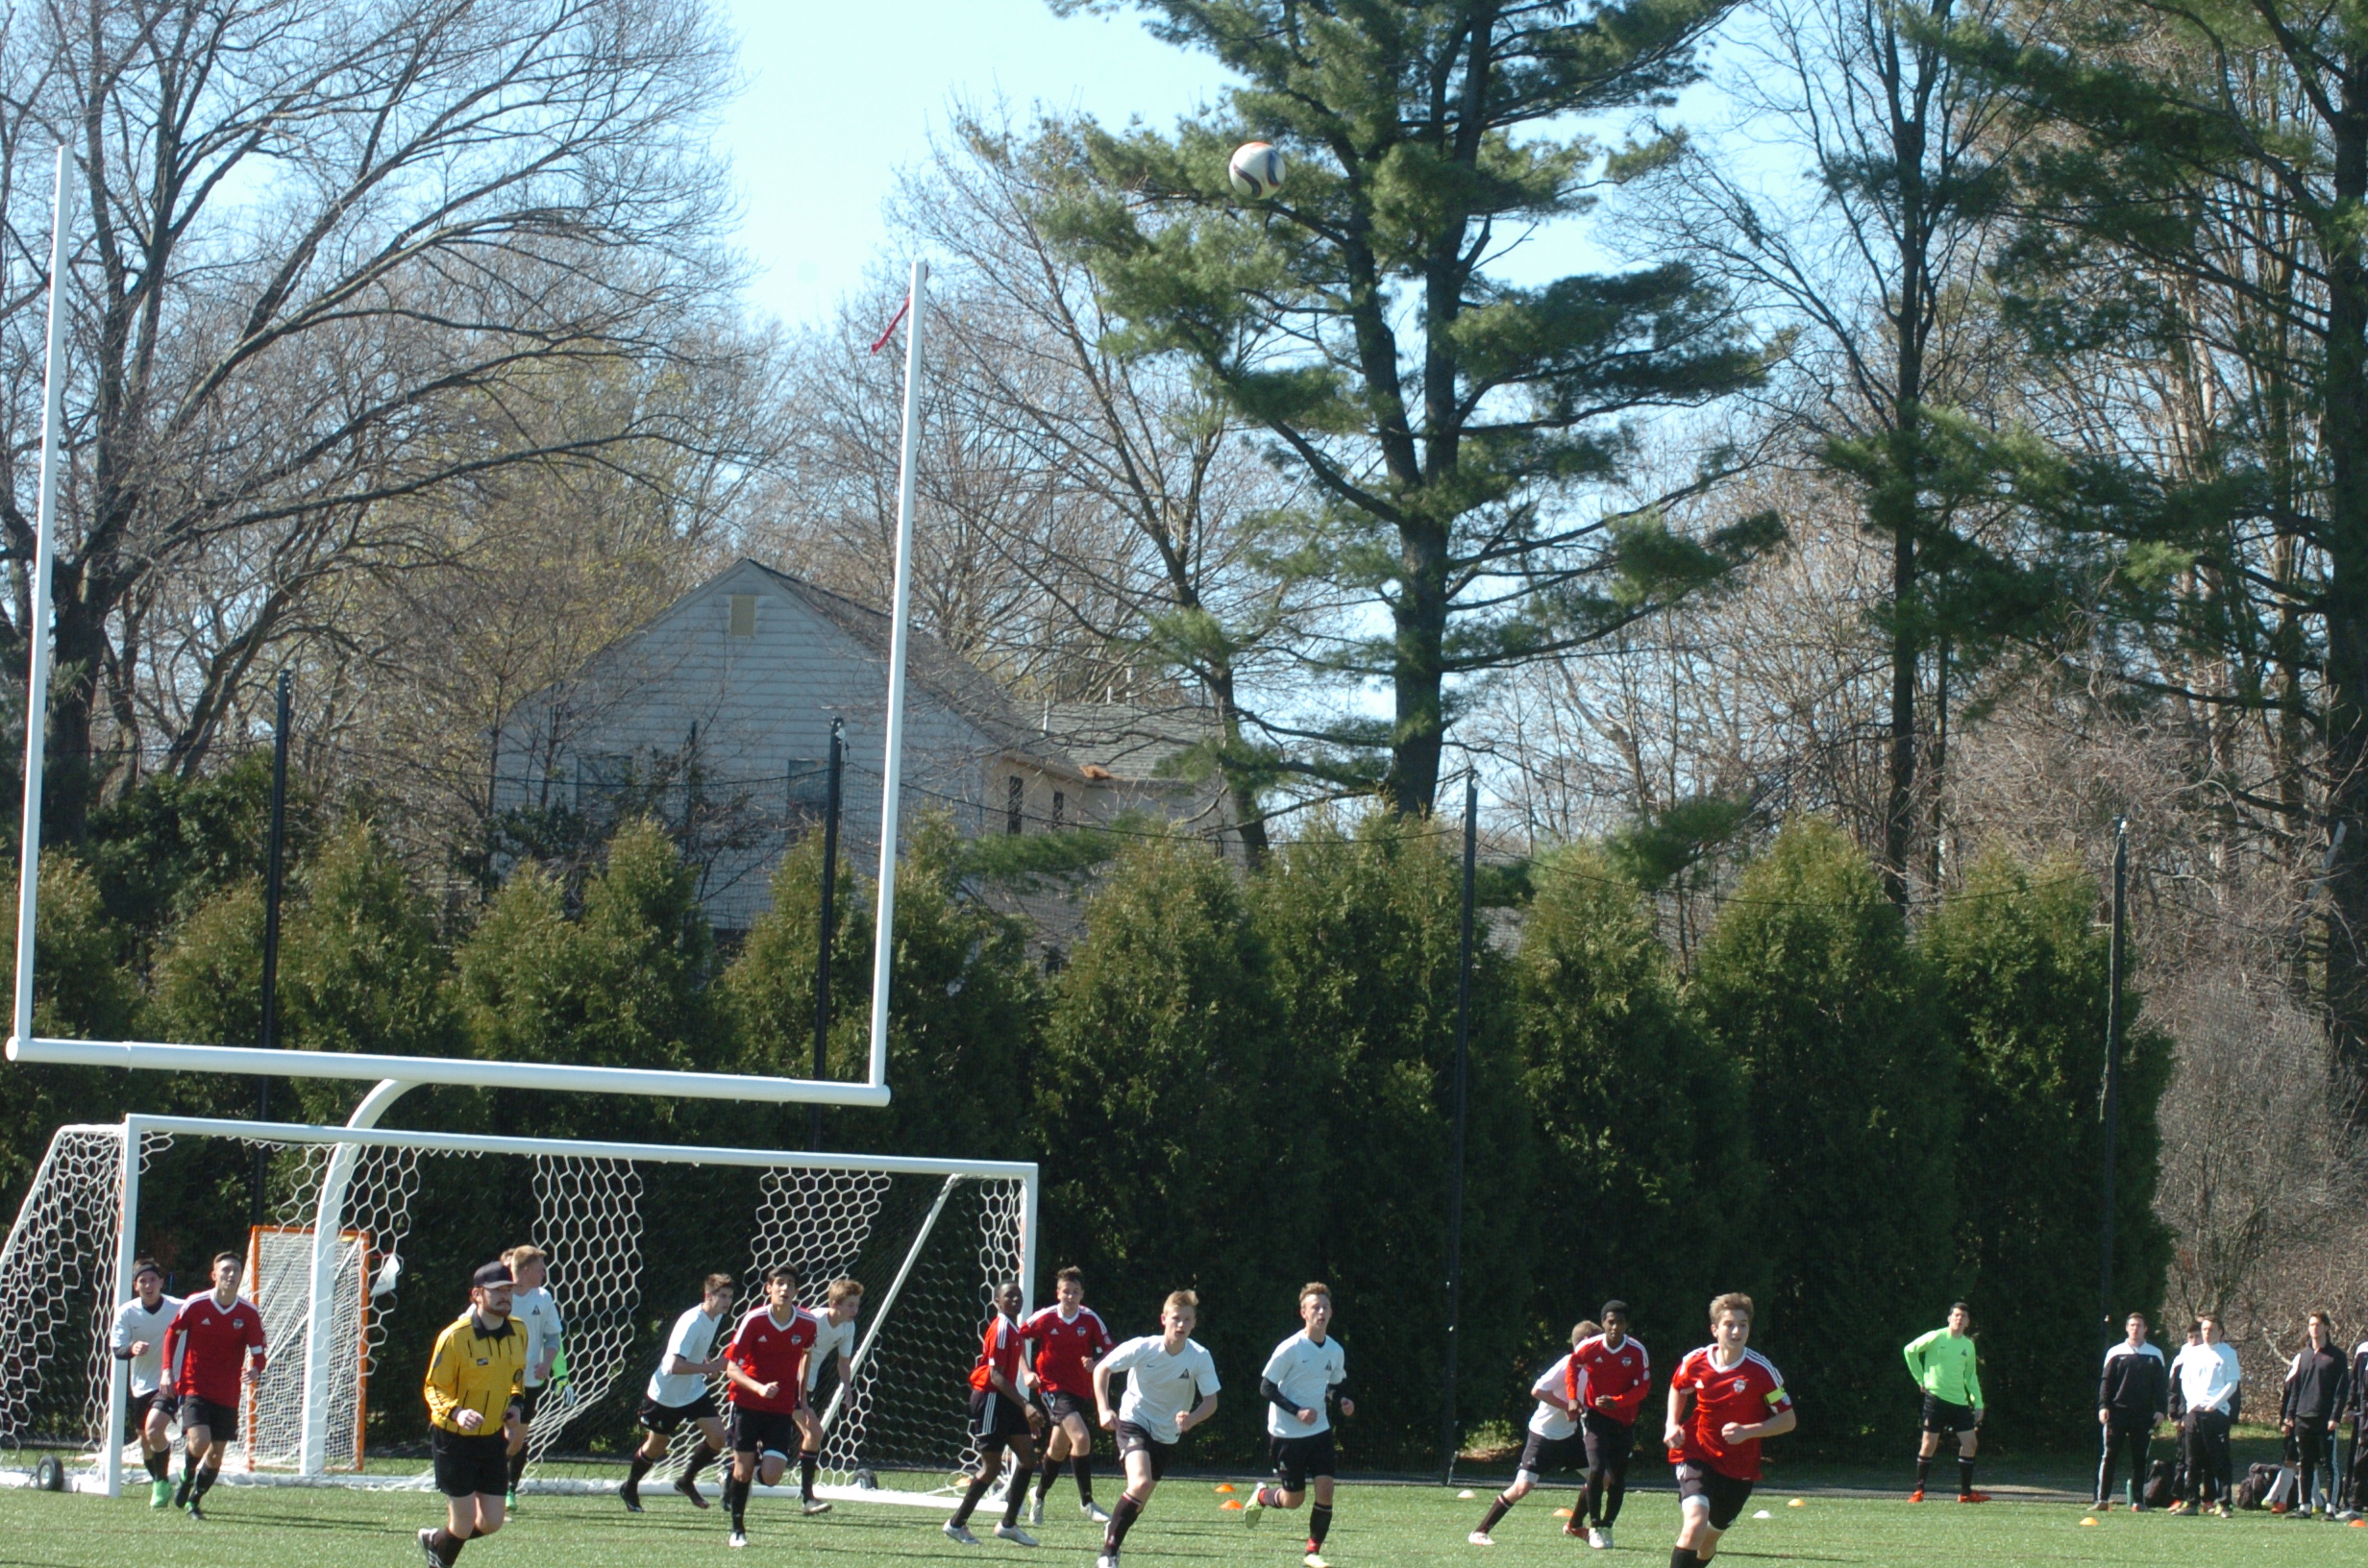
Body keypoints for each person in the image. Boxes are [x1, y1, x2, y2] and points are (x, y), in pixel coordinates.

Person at [1663, 1292, 1795, 1568]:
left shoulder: (1761, 1371)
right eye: (1729, 1324)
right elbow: (1678, 1387)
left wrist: (1747, 1431)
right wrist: (1672, 1423)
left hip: (1739, 1467)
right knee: (1695, 1523)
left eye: (1742, 1325)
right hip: (1696, 1453)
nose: (1736, 1331)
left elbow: (1788, 1420)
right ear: (1715, 1329)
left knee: (1707, 1542)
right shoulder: (1695, 1361)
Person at [1093, 1290, 1221, 1568]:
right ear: (1164, 1319)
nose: (1181, 1324)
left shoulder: (1199, 1356)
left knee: (1140, 1499)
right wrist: (1103, 1409)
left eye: (1187, 1319)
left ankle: (1114, 1528)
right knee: (1139, 1483)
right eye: (1176, 1318)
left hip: (1167, 1433)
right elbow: (1102, 1369)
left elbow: (1211, 1401)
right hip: (1134, 1420)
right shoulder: (1144, 1347)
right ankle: (1108, 1553)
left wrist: (1192, 1419)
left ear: (1194, 1323)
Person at [417, 1261, 528, 1568]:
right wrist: (457, 1412)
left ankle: (434, 1540)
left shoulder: (519, 1331)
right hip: (454, 1439)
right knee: (463, 1524)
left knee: (492, 1522)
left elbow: (517, 1378)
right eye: (497, 1291)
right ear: (476, 1295)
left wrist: (515, 1405)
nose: (505, 1296)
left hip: (491, 1437)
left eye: (509, 1290)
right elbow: (433, 1388)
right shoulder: (455, 1336)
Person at [1241, 1283, 1355, 1568]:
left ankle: (1312, 1552)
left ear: (1331, 1312)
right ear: (1303, 1313)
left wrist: (1342, 1400)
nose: (1321, 1312)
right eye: (1315, 1307)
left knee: (1326, 1489)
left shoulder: (1335, 1350)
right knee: (1294, 1500)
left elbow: (1333, 1386)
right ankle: (1263, 1496)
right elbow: (1266, 1387)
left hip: (1319, 1431)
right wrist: (1297, 1411)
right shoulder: (1290, 1348)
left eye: (1325, 1307)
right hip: (1286, 1433)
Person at [160, 1251, 266, 1519]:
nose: (231, 1274)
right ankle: (187, 1475)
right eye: (225, 1269)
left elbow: (259, 1352)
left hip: (227, 1393)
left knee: (217, 1454)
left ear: (241, 1276)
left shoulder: (248, 1313)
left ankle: (194, 1500)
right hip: (195, 1385)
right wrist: (166, 1371)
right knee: (200, 1440)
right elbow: (172, 1332)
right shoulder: (196, 1304)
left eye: (236, 1270)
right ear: (214, 1275)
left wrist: (255, 1369)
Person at [1468, 1320, 1595, 1547]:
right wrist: (1568, 1407)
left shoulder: (1595, 1369)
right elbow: (1538, 1390)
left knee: (1601, 1479)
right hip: (1544, 1436)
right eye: (1598, 1343)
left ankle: (1574, 1526)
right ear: (1586, 1343)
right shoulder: (1568, 1363)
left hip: (1570, 1437)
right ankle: (1479, 1532)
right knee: (1522, 1487)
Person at [720, 1264, 821, 1548]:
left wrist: (802, 1400)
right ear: (769, 1288)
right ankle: (737, 1530)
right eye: (779, 1283)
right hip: (747, 1403)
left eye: (790, 1284)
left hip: (781, 1407)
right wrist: (759, 1388)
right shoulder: (754, 1320)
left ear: (797, 1291)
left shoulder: (807, 1323)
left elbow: (806, 1356)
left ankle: (734, 1473)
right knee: (743, 1471)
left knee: (773, 1476)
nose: (785, 1288)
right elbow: (731, 1368)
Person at [623, 1273, 735, 1513]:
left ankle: (686, 1480)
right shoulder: (691, 1322)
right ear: (708, 1295)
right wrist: (709, 1368)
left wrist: (706, 1363)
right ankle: (630, 1486)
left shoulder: (715, 1316)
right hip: (666, 1395)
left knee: (718, 1437)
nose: (727, 1302)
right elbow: (674, 1365)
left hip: (692, 1391)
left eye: (730, 1297)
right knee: (657, 1445)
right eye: (723, 1296)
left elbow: (696, 1349)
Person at [944, 1280, 1046, 1546]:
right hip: (990, 1398)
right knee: (992, 1468)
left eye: (1018, 1295)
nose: (1015, 1299)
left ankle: (1008, 1525)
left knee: (1028, 1459)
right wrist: (1025, 1405)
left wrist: (1021, 1410)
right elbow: (995, 1376)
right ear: (997, 1301)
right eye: (1009, 1296)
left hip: (1006, 1400)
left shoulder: (1013, 1329)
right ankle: (956, 1524)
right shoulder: (1000, 1327)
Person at [1022, 1266, 1116, 1526]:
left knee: (1058, 1449)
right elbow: (1018, 1338)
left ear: (1082, 1294)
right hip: (1051, 1387)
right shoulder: (1046, 1317)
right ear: (1058, 1293)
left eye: (1075, 1292)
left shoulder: (1090, 1319)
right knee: (1081, 1438)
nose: (1070, 1297)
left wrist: (1095, 1363)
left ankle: (1038, 1495)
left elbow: (1111, 1350)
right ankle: (1087, 1503)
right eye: (1066, 1292)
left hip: (1078, 1390)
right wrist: (1026, 1372)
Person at [1572, 1301, 1652, 1549]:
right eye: (1610, 1322)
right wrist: (1573, 1398)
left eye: (1620, 1322)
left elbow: (1643, 1388)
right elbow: (1572, 1367)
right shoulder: (1589, 1347)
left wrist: (1617, 1402)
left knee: (1617, 1476)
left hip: (1624, 1420)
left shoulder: (1636, 1351)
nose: (1615, 1327)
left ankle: (1608, 1525)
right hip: (1596, 1416)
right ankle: (1595, 1526)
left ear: (1627, 1325)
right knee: (1596, 1469)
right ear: (1603, 1323)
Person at [109, 1258, 183, 1508]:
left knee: (153, 1430)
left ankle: (161, 1484)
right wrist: (132, 1348)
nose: (148, 1285)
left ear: (161, 1282)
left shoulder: (179, 1308)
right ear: (135, 1285)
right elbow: (117, 1349)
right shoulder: (127, 1312)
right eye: (143, 1281)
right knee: (145, 1441)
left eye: (153, 1280)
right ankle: (162, 1481)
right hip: (140, 1385)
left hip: (170, 1382)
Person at [1901, 1303, 1987, 1504]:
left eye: (1963, 1316)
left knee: (1971, 1443)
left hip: (1959, 1402)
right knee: (1928, 1444)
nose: (1959, 1319)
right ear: (1949, 1318)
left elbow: (1971, 1375)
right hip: (1936, 1400)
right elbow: (1909, 1350)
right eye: (1956, 1315)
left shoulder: (1968, 1345)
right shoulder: (1935, 1337)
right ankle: (1919, 1491)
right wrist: (1921, 1379)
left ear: (1967, 1322)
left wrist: (1978, 1402)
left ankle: (1965, 1493)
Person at [500, 1244, 564, 1510]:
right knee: (504, 1432)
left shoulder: (543, 1297)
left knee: (516, 1440)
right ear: (525, 1271)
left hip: (529, 1380)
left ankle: (505, 1485)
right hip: (498, 1378)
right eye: (540, 1269)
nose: (544, 1274)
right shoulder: (501, 1294)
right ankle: (496, 1486)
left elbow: (553, 1337)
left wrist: (547, 1363)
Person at [797, 1277, 863, 1514]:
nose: (855, 1310)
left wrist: (848, 1389)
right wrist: (800, 1393)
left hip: (808, 1385)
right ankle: (807, 1499)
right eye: (850, 1305)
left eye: (857, 1305)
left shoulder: (848, 1327)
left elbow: (843, 1363)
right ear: (834, 1303)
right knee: (813, 1433)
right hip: (790, 1383)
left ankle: (733, 1473)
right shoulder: (813, 1319)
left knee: (803, 1437)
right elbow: (795, 1350)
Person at [2095, 1311, 2168, 1511]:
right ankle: (2102, 1499)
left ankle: (2138, 1502)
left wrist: (2161, 1410)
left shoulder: (2155, 1354)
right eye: (2132, 1325)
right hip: (2117, 1413)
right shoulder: (2115, 1353)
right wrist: (2103, 1406)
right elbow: (2106, 1383)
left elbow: (2160, 1386)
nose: (2135, 1329)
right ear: (2127, 1328)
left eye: (2139, 1325)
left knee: (2140, 1459)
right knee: (2109, 1456)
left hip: (2143, 1415)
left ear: (2146, 1329)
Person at [2169, 1313, 2239, 1516]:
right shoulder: (2193, 1353)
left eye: (2211, 1330)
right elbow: (2185, 1381)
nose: (2207, 1333)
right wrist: (2193, 1404)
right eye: (2205, 1329)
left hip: (2217, 1413)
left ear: (2221, 1332)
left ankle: (2224, 1503)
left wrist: (2213, 1404)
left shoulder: (2228, 1353)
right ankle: (2191, 1502)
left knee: (2220, 1459)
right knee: (2192, 1460)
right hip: (2195, 1412)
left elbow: (2232, 1384)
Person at [2282, 1310, 2348, 1519]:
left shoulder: (2336, 1356)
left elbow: (2341, 1390)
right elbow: (2295, 1388)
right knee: (2305, 1463)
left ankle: (2331, 1508)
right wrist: (2290, 1415)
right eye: (2311, 1325)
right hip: (2303, 1416)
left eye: (2318, 1324)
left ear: (2326, 1327)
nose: (2314, 1328)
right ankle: (2305, 1507)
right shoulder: (2303, 1356)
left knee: (2329, 1464)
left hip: (2324, 1417)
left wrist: (2335, 1417)